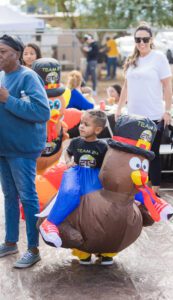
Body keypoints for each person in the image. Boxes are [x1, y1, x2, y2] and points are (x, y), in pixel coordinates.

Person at [0, 35, 50, 268]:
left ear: (17, 54)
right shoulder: (2, 75)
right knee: (10, 196)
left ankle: (33, 248)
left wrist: (8, 99)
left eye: (2, 52)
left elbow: (42, 112)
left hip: (22, 149)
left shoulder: (28, 77)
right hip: (4, 147)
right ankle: (11, 242)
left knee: (28, 197)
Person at [39, 110, 108, 258]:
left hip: (93, 177)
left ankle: (102, 245)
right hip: (77, 174)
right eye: (81, 123)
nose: (81, 126)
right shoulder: (76, 142)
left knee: (95, 207)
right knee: (72, 200)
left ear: (97, 130)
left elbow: (105, 165)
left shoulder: (103, 146)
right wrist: (69, 161)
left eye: (86, 124)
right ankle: (78, 246)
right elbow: (68, 152)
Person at [115, 22, 172, 196]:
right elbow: (125, 86)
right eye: (138, 39)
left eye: (145, 39)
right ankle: (137, 190)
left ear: (151, 40)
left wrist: (167, 110)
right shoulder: (132, 60)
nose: (141, 43)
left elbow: (168, 86)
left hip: (153, 117)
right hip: (133, 118)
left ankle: (154, 194)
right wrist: (119, 109)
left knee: (152, 155)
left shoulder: (159, 58)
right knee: (134, 155)